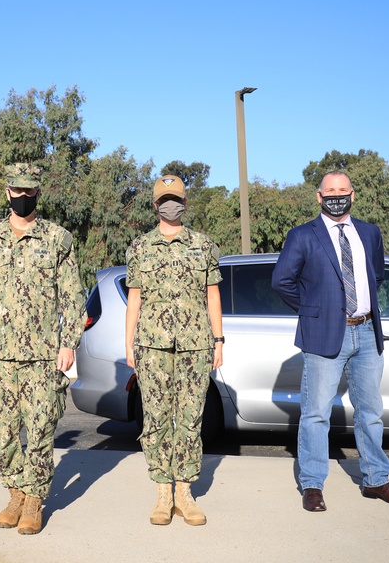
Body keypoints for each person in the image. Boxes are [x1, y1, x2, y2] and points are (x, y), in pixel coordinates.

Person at [272, 171, 389, 513]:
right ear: (319, 197)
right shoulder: (302, 235)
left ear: (353, 194)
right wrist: (314, 311)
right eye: (330, 191)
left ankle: (377, 479)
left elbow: (375, 275)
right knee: (316, 414)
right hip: (324, 335)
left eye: (343, 190)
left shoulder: (369, 232)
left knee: (371, 413)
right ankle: (312, 484)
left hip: (367, 332)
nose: (337, 195)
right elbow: (282, 281)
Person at [0, 163, 86, 535]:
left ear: (38, 194)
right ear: (7, 192)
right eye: (17, 191)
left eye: (30, 191)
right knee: (3, 430)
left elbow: (72, 296)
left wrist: (69, 343)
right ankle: (15, 492)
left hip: (44, 354)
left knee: (42, 427)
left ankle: (34, 500)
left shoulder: (58, 239)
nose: (23, 197)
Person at [124, 175, 223, 526]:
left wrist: (218, 340)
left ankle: (185, 492)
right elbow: (134, 299)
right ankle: (162, 492)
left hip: (195, 345)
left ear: (185, 203)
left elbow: (213, 295)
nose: (171, 204)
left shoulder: (203, 245)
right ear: (155, 204)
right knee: (156, 418)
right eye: (165, 199)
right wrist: (129, 344)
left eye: (177, 199)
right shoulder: (139, 247)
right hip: (151, 346)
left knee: (191, 418)